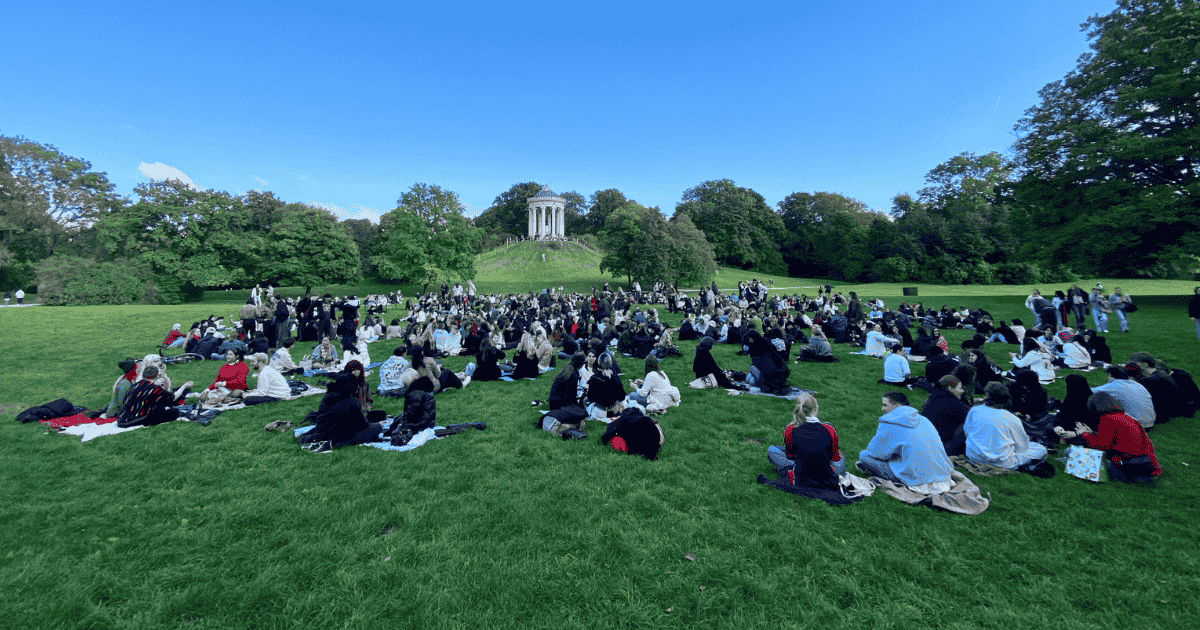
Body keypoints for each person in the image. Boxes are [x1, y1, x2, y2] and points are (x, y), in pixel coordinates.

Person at [856, 391, 955, 493]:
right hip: (942, 476)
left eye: (885, 405)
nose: (882, 409)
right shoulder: (924, 420)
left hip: (917, 481)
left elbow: (875, 453)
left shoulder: (890, 422)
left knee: (864, 456)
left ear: (897, 406)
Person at [1056, 392, 1160, 483]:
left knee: (1070, 451)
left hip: (1126, 468)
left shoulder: (1107, 420)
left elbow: (1101, 445)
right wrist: (1091, 433)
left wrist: (1084, 434)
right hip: (1146, 466)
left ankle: (1068, 462)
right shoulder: (1126, 417)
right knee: (1072, 453)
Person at [963, 383, 1048, 470]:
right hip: (1002, 462)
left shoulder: (975, 410)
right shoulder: (1012, 418)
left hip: (973, 456)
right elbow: (1022, 448)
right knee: (1040, 449)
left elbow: (967, 431)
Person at [767, 393, 846, 486]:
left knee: (772, 450)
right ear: (816, 408)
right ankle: (829, 471)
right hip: (827, 478)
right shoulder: (829, 429)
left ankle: (802, 469)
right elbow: (835, 457)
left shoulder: (790, 429)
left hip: (801, 479)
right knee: (840, 457)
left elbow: (790, 456)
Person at [298, 373, 382, 451]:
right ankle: (335, 444)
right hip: (340, 435)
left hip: (324, 430)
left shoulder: (327, 396)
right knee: (377, 428)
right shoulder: (351, 401)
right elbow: (361, 425)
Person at [115, 367, 193, 428]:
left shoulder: (135, 385)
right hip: (135, 420)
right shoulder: (154, 389)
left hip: (122, 419)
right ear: (157, 376)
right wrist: (184, 386)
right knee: (174, 412)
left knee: (160, 405)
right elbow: (173, 397)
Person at [1092, 366, 1156, 428]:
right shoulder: (1137, 384)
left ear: (1110, 375)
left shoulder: (1115, 385)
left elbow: (1090, 391)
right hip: (1150, 422)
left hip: (1135, 426)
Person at [920, 375, 969, 456]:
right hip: (944, 447)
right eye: (960, 388)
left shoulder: (931, 399)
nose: (962, 391)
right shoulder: (954, 404)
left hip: (926, 443)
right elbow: (973, 418)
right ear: (950, 388)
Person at [600, 406, 665, 459]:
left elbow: (607, 434)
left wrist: (604, 440)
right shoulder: (647, 420)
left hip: (632, 447)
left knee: (615, 439)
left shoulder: (621, 421)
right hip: (653, 447)